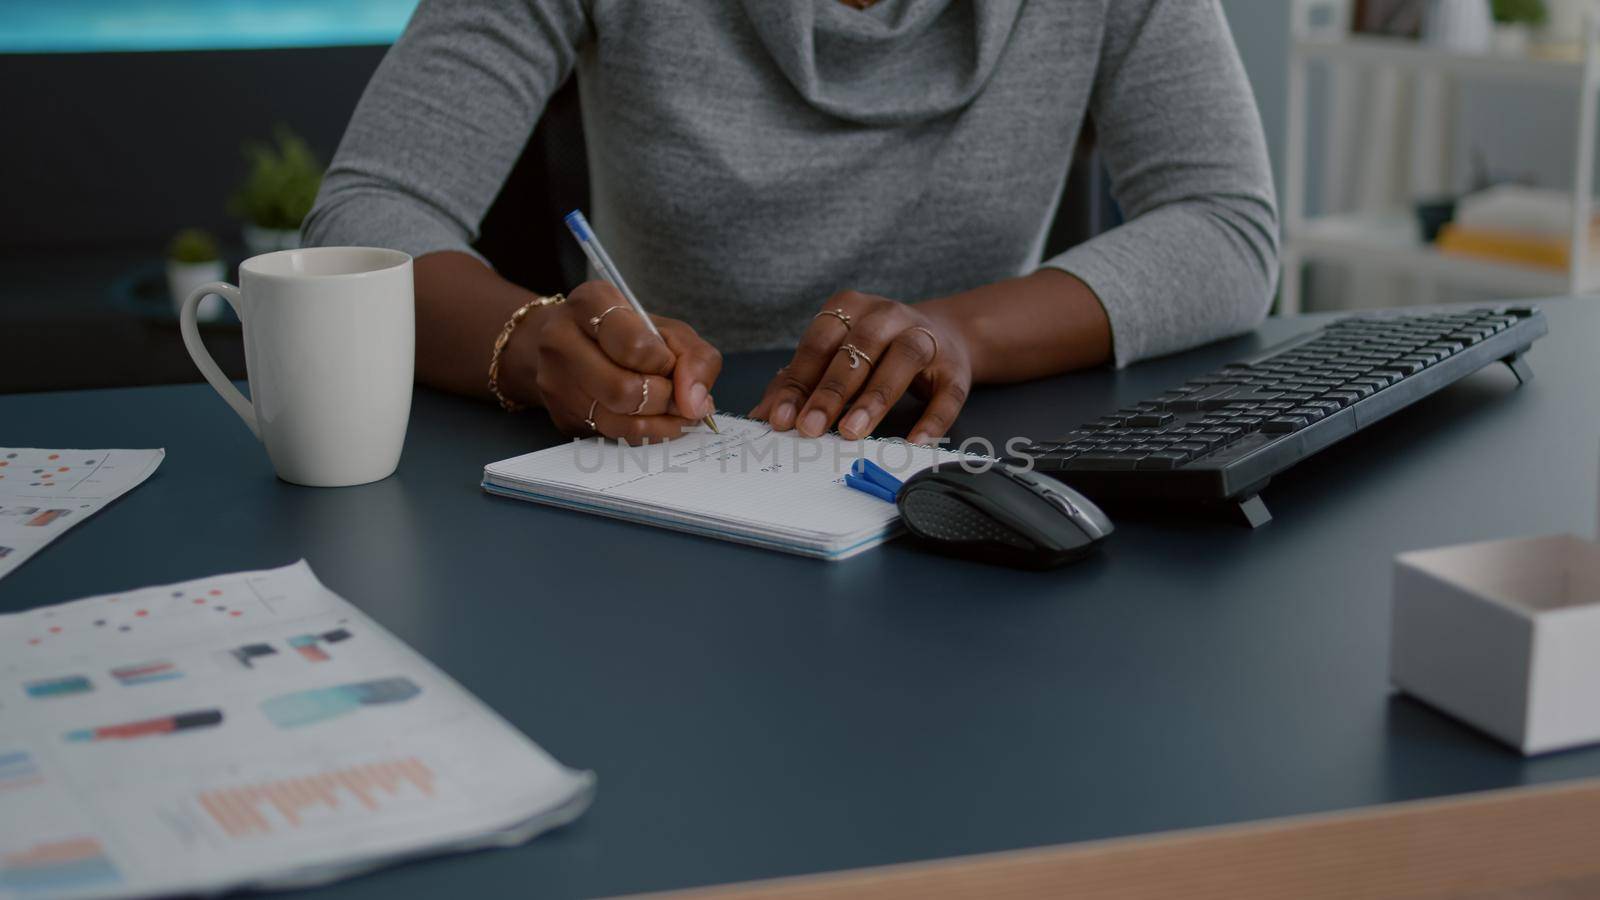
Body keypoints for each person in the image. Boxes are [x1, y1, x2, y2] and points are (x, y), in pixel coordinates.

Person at [305, 0, 1277, 446]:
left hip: (954, 483)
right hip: (663, 474)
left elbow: (1225, 226)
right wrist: (529, 345)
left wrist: (960, 332)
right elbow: (366, 218)